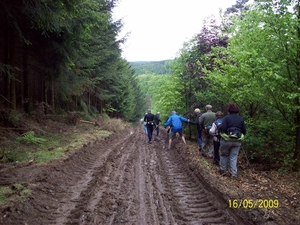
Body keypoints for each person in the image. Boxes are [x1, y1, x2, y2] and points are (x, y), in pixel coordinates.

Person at [218, 103, 246, 179]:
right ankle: (233, 174)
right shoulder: (241, 119)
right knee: (233, 157)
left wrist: (219, 126)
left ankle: (223, 170)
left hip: (227, 140)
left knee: (224, 154)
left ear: (229, 110)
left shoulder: (226, 118)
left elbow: (223, 128)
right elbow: (244, 130)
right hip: (237, 141)